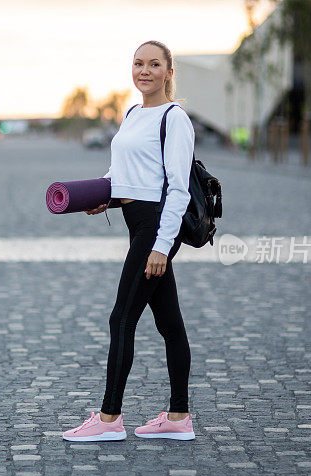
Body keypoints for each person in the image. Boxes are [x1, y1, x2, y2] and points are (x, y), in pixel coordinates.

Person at [62, 40, 195, 442]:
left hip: (156, 227)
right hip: (136, 221)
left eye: (154, 64)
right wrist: (105, 196)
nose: (145, 70)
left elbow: (178, 188)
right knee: (169, 323)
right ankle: (178, 418)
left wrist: (161, 244)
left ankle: (108, 420)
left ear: (169, 72)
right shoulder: (134, 112)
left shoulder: (175, 119)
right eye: (138, 63)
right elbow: (121, 168)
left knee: (121, 318)